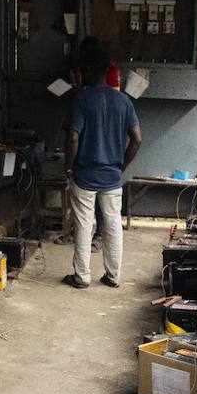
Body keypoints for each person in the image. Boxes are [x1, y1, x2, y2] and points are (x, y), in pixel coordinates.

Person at [62, 45, 141, 288]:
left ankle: (82, 276)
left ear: (86, 70)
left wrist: (68, 166)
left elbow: (73, 137)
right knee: (113, 224)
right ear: (107, 70)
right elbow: (137, 139)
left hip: (85, 174)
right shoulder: (124, 101)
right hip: (112, 176)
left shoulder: (82, 99)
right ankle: (112, 276)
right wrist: (121, 167)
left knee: (84, 225)